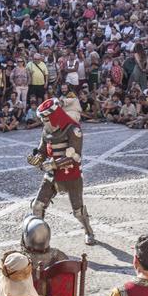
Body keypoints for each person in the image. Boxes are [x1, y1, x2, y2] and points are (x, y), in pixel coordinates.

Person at [28, 97, 96, 245]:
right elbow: (42, 150)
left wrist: (52, 164)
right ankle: (39, 237)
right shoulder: (46, 130)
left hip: (71, 175)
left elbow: (75, 157)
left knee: (78, 211)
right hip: (52, 175)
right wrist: (37, 158)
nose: (44, 122)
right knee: (37, 206)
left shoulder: (73, 129)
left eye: (46, 119)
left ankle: (88, 231)